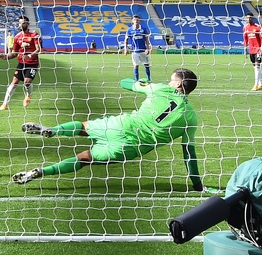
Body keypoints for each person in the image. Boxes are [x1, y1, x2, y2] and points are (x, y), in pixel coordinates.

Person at [11, 68, 205, 192]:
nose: (169, 81)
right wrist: (197, 185)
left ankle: (53, 130)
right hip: (132, 146)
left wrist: (143, 82)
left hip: (121, 125)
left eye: (171, 79)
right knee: (84, 158)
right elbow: (189, 153)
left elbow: (125, 82)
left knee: (83, 127)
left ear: (178, 84)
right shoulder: (191, 117)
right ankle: (40, 172)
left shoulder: (161, 89)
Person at [0, 16, 41, 110]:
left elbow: (38, 49)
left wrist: (29, 56)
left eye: (23, 22)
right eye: (19, 23)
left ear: (28, 24)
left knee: (27, 82)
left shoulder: (34, 35)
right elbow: (15, 53)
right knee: (14, 82)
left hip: (32, 63)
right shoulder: (17, 37)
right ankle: (5, 104)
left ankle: (28, 95)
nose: (21, 24)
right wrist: (6, 57)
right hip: (21, 63)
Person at [123, 15, 152, 83]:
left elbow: (147, 40)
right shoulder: (129, 30)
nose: (136, 21)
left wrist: (147, 48)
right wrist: (125, 49)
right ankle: (136, 80)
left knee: (146, 64)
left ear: (139, 21)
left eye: (137, 20)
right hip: (135, 51)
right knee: (136, 65)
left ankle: (149, 79)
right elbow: (126, 40)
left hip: (143, 50)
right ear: (132, 21)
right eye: (135, 20)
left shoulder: (143, 29)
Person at [242, 12, 262, 91]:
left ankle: (256, 85)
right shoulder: (245, 27)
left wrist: (261, 49)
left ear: (252, 18)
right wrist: (245, 50)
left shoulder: (258, 27)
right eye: (247, 18)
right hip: (251, 50)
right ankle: (261, 84)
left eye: (250, 18)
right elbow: (245, 39)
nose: (248, 19)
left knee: (257, 66)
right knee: (255, 68)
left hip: (258, 50)